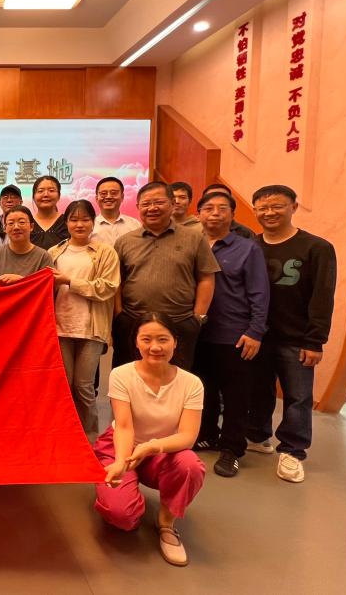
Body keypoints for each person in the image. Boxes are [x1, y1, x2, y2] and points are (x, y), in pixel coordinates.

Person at [93, 313, 205, 567]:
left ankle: (166, 523)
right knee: (122, 517)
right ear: (136, 342)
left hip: (162, 450)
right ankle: (120, 490)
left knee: (190, 465)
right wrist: (121, 462)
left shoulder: (192, 384)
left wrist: (153, 446)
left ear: (175, 342)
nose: (155, 347)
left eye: (163, 339)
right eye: (147, 339)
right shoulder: (121, 375)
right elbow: (124, 426)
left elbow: (188, 436)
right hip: (120, 447)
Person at [247, 185, 336, 484]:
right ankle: (257, 436)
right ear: (255, 210)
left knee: (298, 397)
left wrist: (315, 340)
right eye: (262, 207)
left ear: (294, 207)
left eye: (277, 206)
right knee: (258, 389)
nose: (269, 212)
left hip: (297, 339)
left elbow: (322, 297)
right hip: (258, 336)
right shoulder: (251, 246)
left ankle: (293, 450)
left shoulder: (316, 248)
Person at [191, 191, 270, 477]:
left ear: (232, 215)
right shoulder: (191, 244)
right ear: (198, 214)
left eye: (222, 208)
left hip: (234, 334)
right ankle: (207, 434)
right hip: (197, 332)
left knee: (236, 395)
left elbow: (260, 293)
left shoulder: (248, 249)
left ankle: (232, 449)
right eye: (208, 208)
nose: (215, 213)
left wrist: (255, 331)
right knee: (204, 390)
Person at [113, 181, 219, 371]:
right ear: (138, 207)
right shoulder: (125, 242)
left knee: (177, 378)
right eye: (146, 204)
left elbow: (206, 278)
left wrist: (198, 317)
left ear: (172, 203)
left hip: (180, 322)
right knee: (130, 377)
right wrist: (119, 315)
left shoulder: (194, 238)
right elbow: (117, 282)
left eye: (159, 202)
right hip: (133, 322)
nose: (152, 208)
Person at [48, 199, 120, 441]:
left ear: (93, 222)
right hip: (60, 327)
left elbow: (107, 287)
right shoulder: (55, 252)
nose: (79, 224)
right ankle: (66, 437)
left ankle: (90, 439)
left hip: (91, 328)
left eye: (85, 219)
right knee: (65, 386)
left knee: (84, 386)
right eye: (74, 219)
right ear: (66, 223)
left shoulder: (105, 252)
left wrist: (69, 281)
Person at [0, 206, 53, 284]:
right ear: (5, 228)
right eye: (11, 223)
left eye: (21, 222)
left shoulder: (43, 257)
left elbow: (47, 287)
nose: (16, 227)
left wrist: (22, 280)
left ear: (31, 227)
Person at [91, 176, 141, 247]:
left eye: (113, 193)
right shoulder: (90, 226)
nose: (108, 197)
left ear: (122, 197)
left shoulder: (135, 225)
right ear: (96, 198)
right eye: (103, 193)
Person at [30, 175, 69, 249]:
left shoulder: (68, 222)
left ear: (59, 196)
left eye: (51, 190)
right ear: (33, 197)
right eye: (40, 191)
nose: (46, 195)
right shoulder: (26, 223)